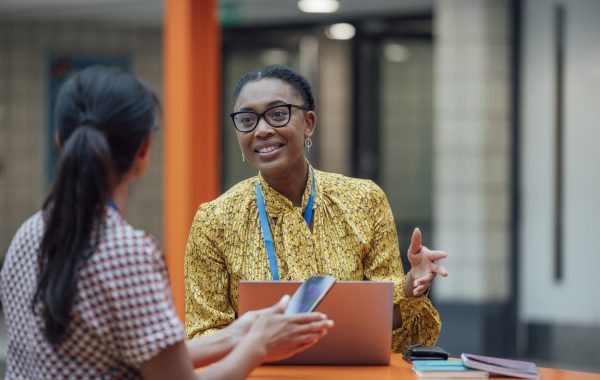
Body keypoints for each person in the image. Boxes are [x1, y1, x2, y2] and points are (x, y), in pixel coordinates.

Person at [0, 66, 333, 380]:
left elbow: (151, 356)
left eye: (277, 114)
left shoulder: (29, 232)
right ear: (144, 149)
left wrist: (239, 334)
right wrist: (259, 346)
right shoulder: (127, 251)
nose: (263, 129)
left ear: (60, 140)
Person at [185, 64, 449, 353]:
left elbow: (390, 329)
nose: (261, 130)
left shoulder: (363, 200)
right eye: (247, 119)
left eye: (277, 114)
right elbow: (203, 332)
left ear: (308, 123)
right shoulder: (215, 220)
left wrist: (412, 286)